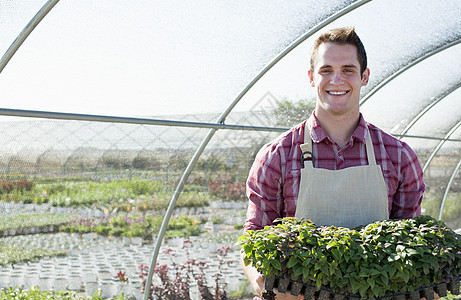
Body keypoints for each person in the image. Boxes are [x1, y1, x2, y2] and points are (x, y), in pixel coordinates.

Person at [241, 27, 430, 300]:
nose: (337, 79)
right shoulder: (276, 156)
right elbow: (253, 240)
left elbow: (408, 241)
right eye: (326, 70)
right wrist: (265, 284)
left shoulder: (399, 157)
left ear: (365, 77)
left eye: (348, 70)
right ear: (311, 77)